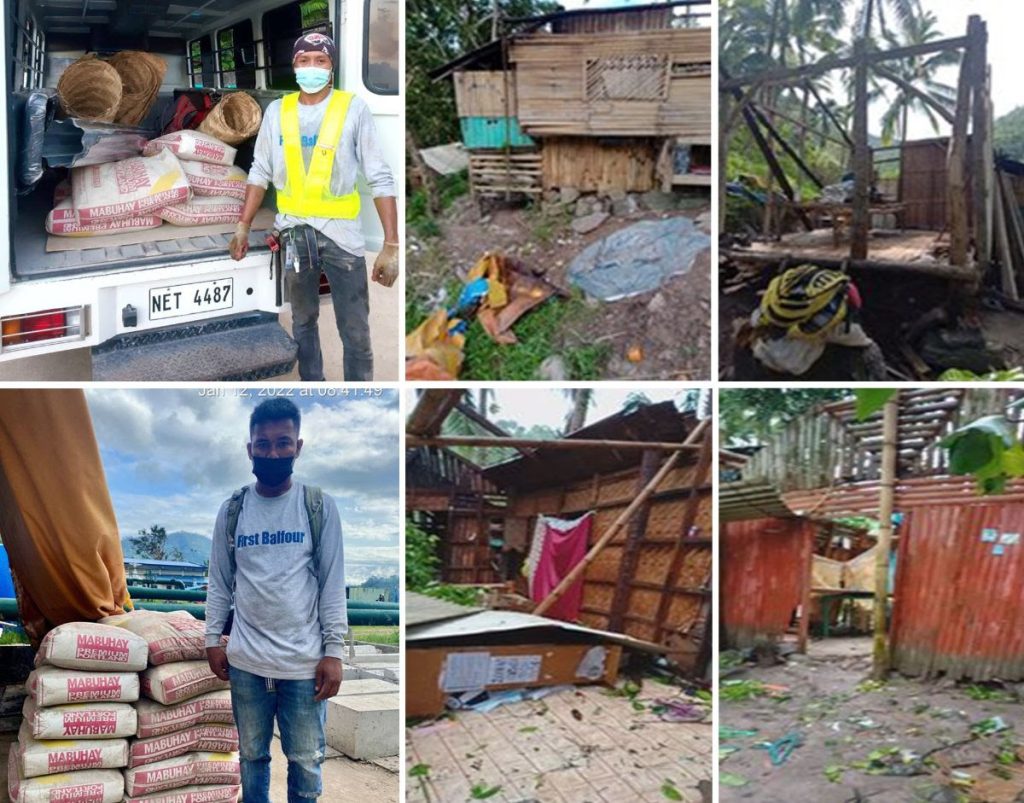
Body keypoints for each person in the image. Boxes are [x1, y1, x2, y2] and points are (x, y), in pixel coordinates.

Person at [229, 32, 399, 381]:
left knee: (355, 331)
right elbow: (259, 170)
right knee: (303, 323)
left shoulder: (353, 108)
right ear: (294, 66)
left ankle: (359, 392)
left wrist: (391, 245)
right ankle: (313, 384)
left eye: (320, 61)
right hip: (294, 234)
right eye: (304, 61)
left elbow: (380, 177)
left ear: (331, 68)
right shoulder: (278, 111)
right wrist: (243, 226)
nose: (311, 68)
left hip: (344, 239)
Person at [205, 397, 346, 803]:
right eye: (263, 445)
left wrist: (334, 652)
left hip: (303, 666)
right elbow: (219, 581)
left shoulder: (316, 507)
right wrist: (212, 639)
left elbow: (332, 584)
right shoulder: (233, 510)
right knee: (251, 758)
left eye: (283, 443)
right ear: (249, 449)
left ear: (297, 447)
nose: (273, 452)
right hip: (246, 663)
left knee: (305, 762)